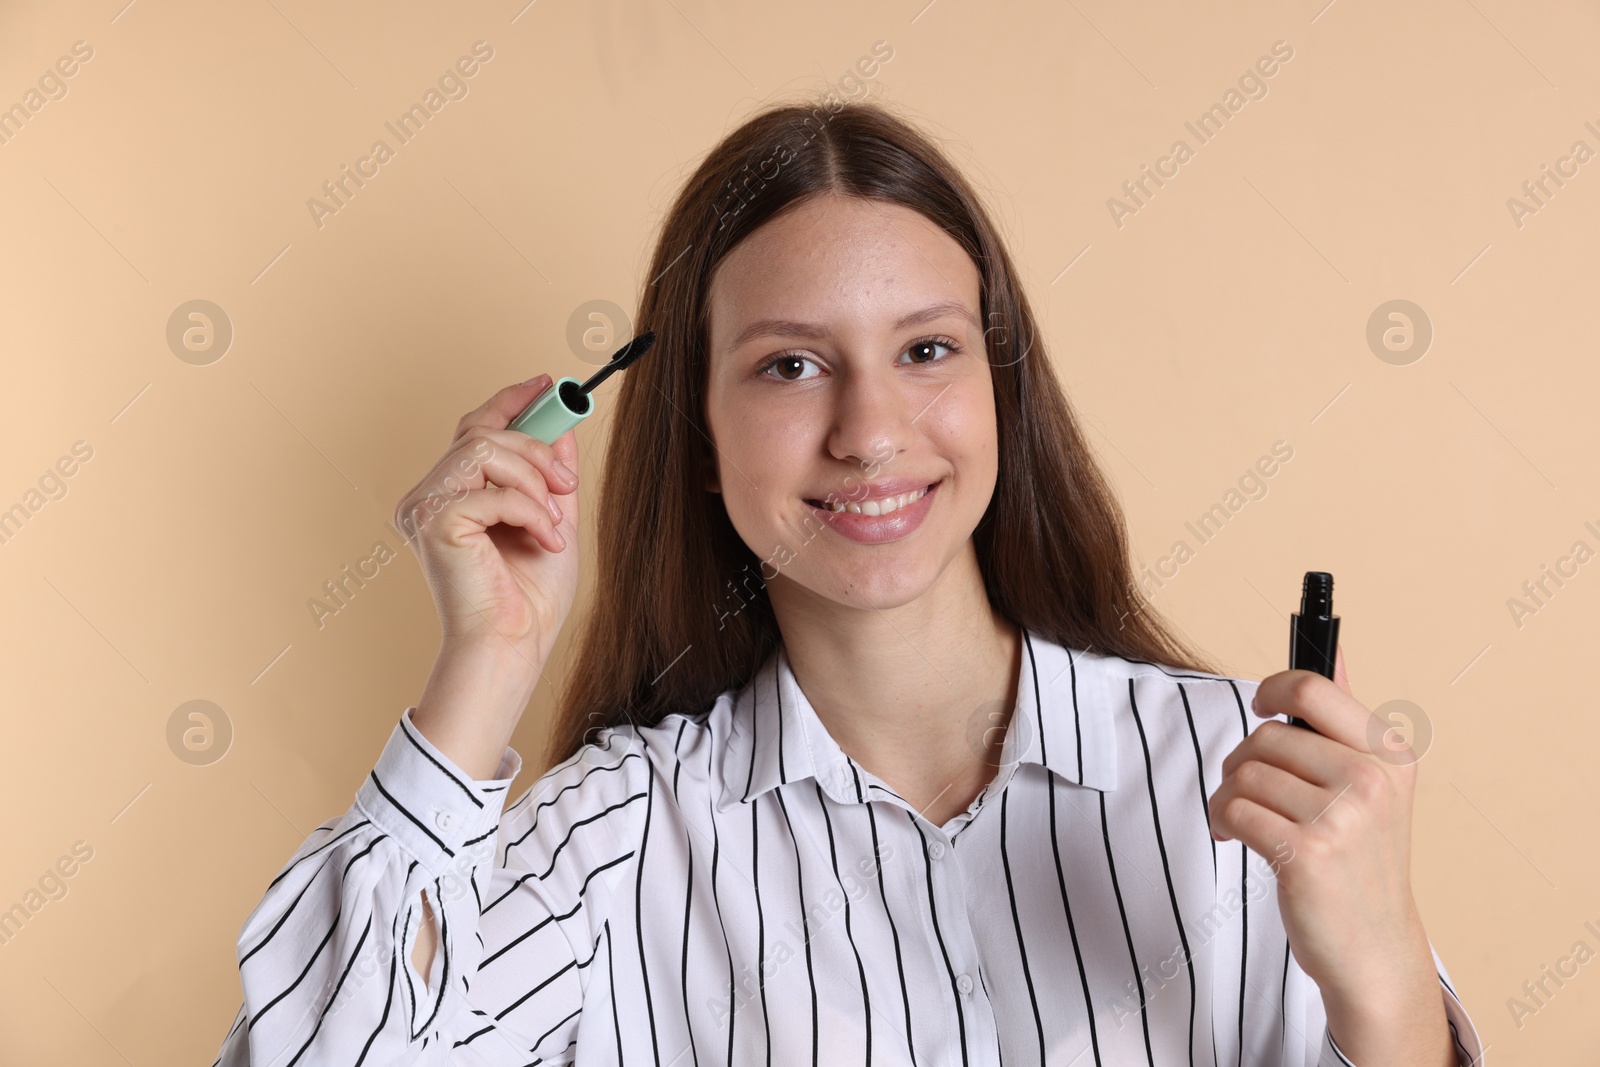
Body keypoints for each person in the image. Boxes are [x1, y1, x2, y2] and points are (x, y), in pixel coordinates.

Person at [214, 98, 1483, 1067]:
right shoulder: (609, 844)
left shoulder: (1241, 777)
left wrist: (1382, 974)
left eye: (926, 348)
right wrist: (481, 666)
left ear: (1000, 393)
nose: (871, 430)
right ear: (698, 439)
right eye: (788, 367)